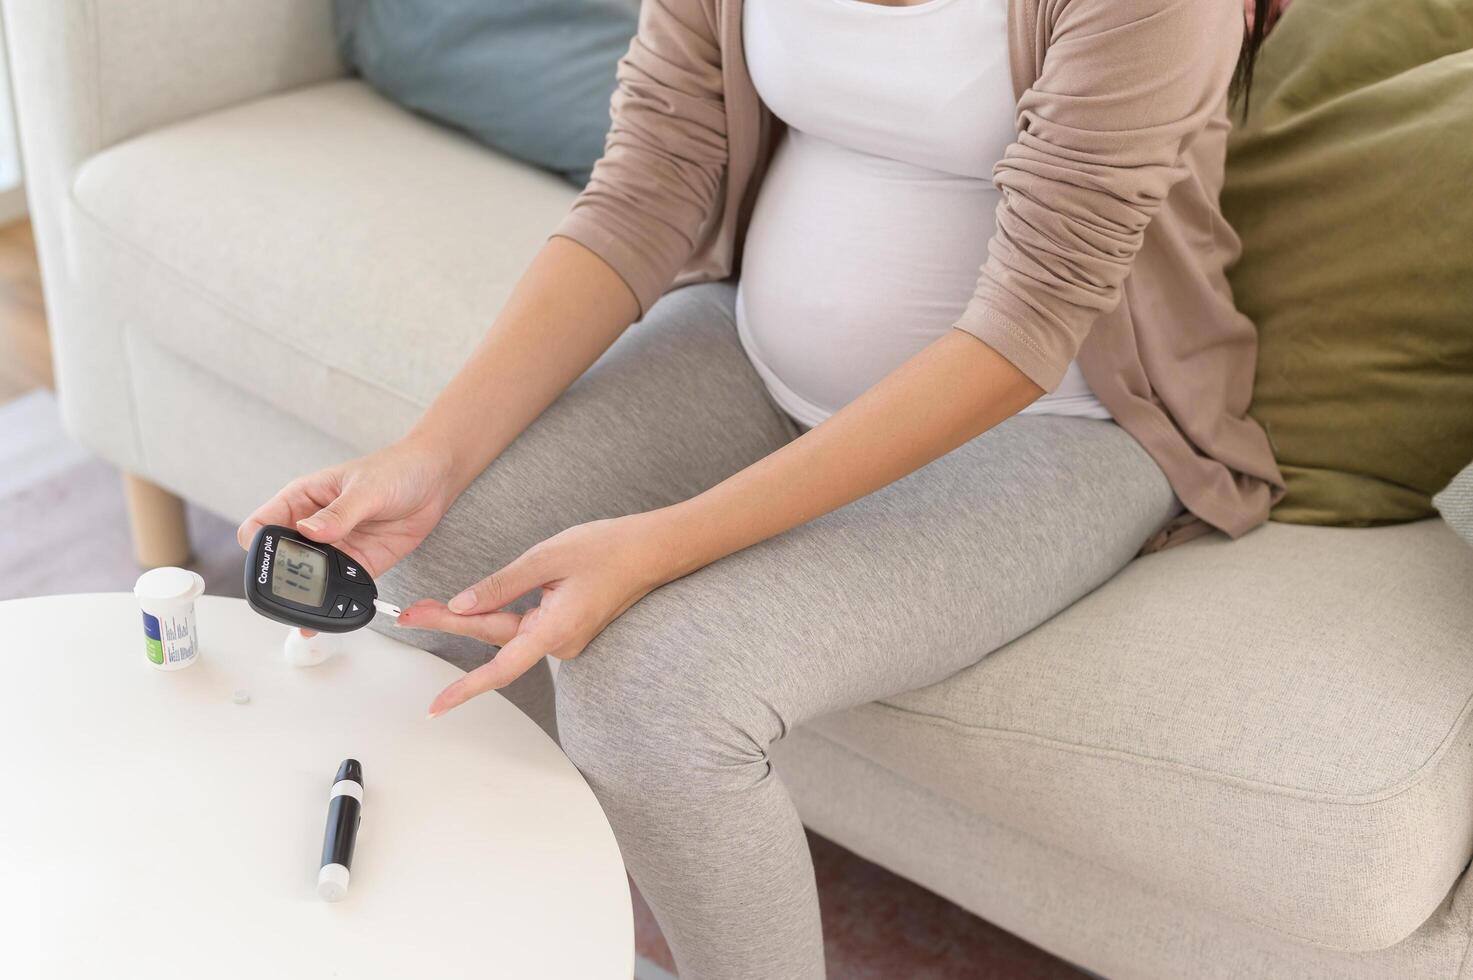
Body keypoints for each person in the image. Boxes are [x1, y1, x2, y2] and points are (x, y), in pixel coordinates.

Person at [238, 1, 1283, 975]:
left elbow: (1030, 325)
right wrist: (433, 455)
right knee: (431, 558)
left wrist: (660, 542)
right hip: (751, 352)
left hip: (1059, 420)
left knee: (652, 693)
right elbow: (651, 180)